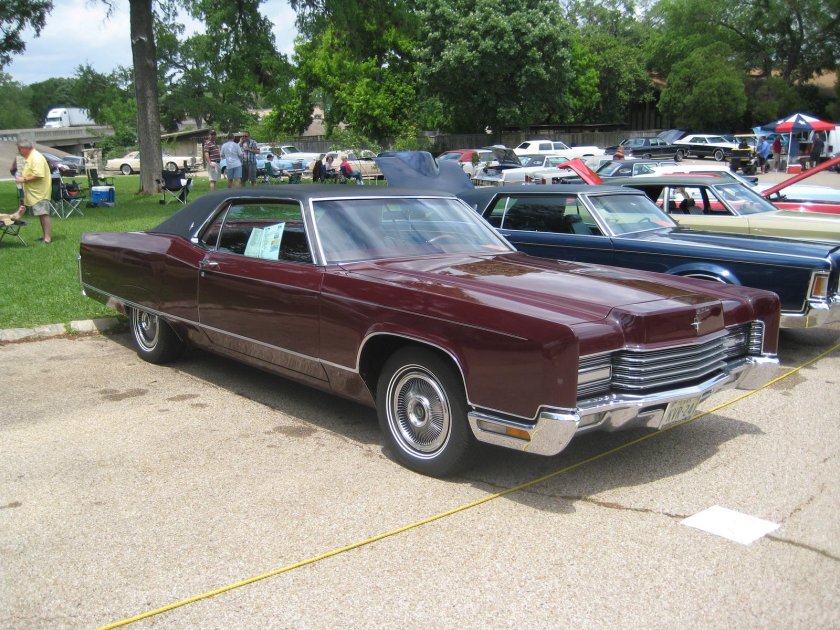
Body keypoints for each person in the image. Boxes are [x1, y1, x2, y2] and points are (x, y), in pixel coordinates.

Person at [14, 138, 52, 244]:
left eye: (19, 149)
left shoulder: (36, 157)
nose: (19, 151)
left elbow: (38, 175)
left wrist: (23, 179)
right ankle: (44, 236)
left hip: (40, 192)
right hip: (34, 192)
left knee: (44, 214)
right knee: (40, 214)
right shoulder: (29, 157)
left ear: (24, 148)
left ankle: (47, 238)